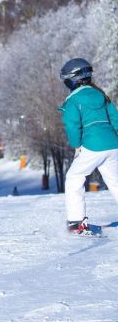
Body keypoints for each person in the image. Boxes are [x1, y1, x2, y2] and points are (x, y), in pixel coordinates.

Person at [59, 58, 118, 234]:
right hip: (112, 144)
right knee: (115, 181)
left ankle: (77, 224)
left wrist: (77, 145)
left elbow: (72, 126)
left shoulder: (73, 100)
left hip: (93, 145)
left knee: (74, 178)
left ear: (73, 80)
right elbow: (115, 119)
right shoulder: (101, 95)